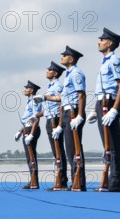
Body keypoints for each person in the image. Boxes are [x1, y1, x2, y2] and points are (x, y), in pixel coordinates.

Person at [87, 28, 120, 192]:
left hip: (109, 103)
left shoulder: (114, 60)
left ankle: (115, 182)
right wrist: (95, 109)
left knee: (114, 143)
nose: (99, 42)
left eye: (102, 39)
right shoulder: (104, 61)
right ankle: (109, 179)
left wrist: (114, 109)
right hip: (101, 102)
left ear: (109, 43)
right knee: (107, 144)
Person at [53, 45, 87, 191]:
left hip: (74, 112)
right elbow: (62, 97)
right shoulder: (68, 74)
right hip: (67, 112)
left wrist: (80, 115)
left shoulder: (76, 73)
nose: (62, 57)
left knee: (75, 149)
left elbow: (81, 95)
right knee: (69, 149)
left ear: (71, 59)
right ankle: (75, 181)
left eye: (65, 55)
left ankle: (79, 182)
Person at [32, 62, 68, 190]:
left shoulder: (57, 86)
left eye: (50, 69)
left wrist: (59, 125)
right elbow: (48, 107)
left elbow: (60, 103)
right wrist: (36, 115)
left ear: (56, 73)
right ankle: (61, 179)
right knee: (55, 151)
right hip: (49, 119)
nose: (47, 71)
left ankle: (62, 181)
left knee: (59, 150)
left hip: (55, 119)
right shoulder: (50, 86)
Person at [15, 81, 42, 189]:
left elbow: (36, 118)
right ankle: (32, 180)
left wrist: (31, 133)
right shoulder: (29, 101)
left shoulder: (35, 101)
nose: (25, 89)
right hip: (27, 128)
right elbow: (27, 120)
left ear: (31, 90)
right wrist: (20, 131)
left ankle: (34, 181)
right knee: (29, 156)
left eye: (27, 88)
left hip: (32, 129)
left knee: (31, 156)